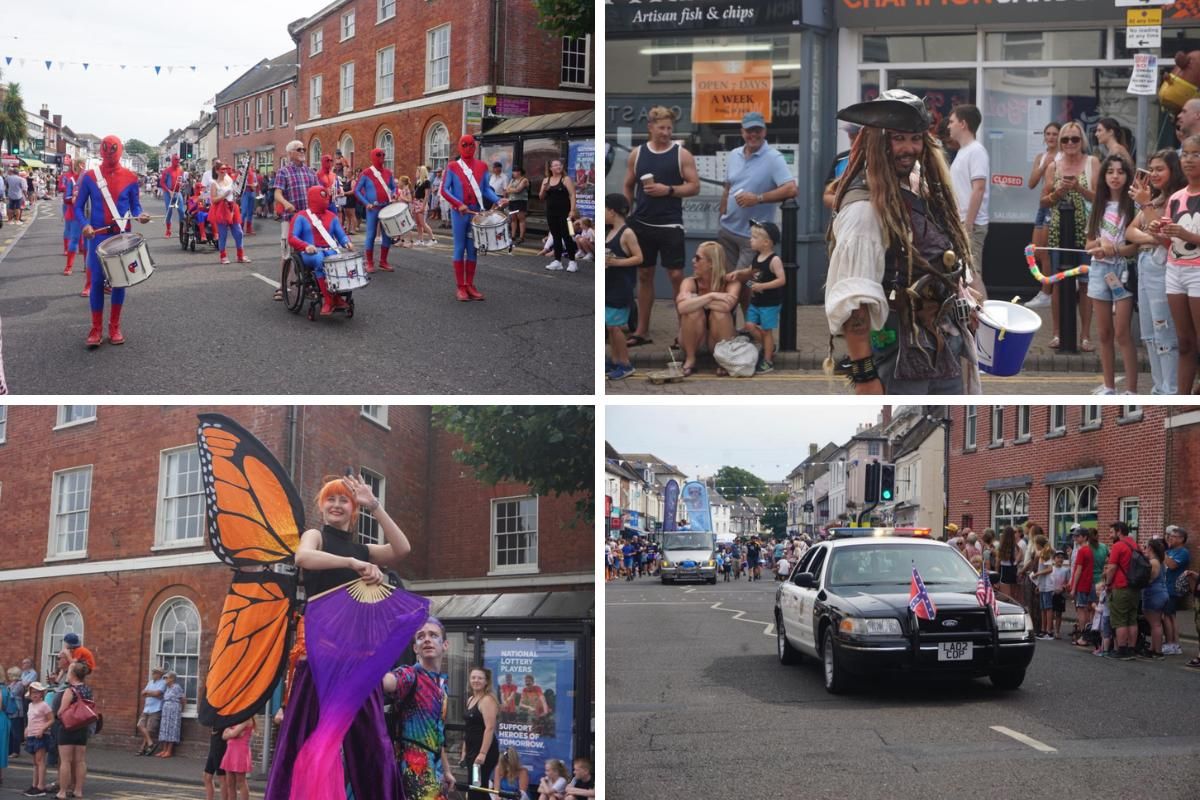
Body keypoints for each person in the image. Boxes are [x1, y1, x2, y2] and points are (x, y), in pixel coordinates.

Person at [265, 473, 412, 800]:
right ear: (322, 505)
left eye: (343, 499)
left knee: (374, 744)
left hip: (357, 659)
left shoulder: (363, 548)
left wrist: (375, 505)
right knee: (302, 739)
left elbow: (402, 548)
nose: (336, 504)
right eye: (330, 499)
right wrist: (352, 563)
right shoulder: (315, 536)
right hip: (319, 656)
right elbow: (302, 558)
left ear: (353, 508)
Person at [826, 90, 980, 395]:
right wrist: (865, 378)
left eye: (915, 138)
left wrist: (959, 293)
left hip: (941, 346)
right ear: (878, 141)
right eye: (898, 139)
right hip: (895, 355)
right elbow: (855, 303)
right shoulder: (863, 210)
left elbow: (931, 256)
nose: (908, 149)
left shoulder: (914, 185)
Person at [622, 106, 701, 348]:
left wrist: (668, 190)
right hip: (642, 223)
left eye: (669, 128)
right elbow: (628, 185)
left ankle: (682, 331)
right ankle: (642, 330)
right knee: (644, 275)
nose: (666, 132)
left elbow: (694, 186)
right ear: (650, 127)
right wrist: (627, 213)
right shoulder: (637, 154)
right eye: (661, 128)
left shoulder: (681, 154)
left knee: (677, 276)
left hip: (670, 223)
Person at [76, 135, 152, 348]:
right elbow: (78, 207)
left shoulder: (130, 177)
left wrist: (141, 215)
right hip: (97, 237)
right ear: (102, 152)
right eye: (107, 152)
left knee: (120, 281)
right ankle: (96, 328)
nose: (110, 157)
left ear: (118, 152)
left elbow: (135, 206)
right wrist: (84, 225)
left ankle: (114, 325)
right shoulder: (91, 177)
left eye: (114, 152)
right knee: (97, 282)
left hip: (122, 236)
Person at [717, 111, 798, 298]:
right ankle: (741, 324)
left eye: (757, 130)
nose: (753, 135)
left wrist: (758, 198)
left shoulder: (773, 158)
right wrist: (722, 213)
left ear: (765, 131)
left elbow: (791, 189)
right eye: (749, 130)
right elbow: (728, 185)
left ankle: (732, 320)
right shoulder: (734, 154)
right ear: (742, 132)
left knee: (738, 281)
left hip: (751, 237)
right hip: (727, 229)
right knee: (732, 281)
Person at [1127, 149, 1184, 394]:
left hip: (1163, 267)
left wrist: (1147, 207)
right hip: (1145, 263)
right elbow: (1130, 231)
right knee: (1148, 333)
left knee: (1164, 331)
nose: (1154, 174)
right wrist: (1149, 235)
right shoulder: (1156, 199)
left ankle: (1169, 388)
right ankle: (1159, 386)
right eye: (1151, 169)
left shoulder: (1176, 200)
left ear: (1174, 170)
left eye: (1160, 169)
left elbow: (1166, 238)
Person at [383, 617, 456, 800]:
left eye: (433, 635)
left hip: (435, 771)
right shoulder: (410, 675)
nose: (427, 639)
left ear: (445, 645)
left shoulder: (441, 686)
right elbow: (388, 682)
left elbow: (437, 735)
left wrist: (446, 770)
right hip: (414, 773)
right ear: (415, 648)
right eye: (421, 636)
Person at [1042, 119, 1099, 351]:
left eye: (1074, 138)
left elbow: (1099, 198)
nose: (1069, 143)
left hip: (1086, 232)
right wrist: (1059, 192)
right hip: (1059, 231)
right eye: (1065, 139)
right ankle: (1057, 334)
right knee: (1058, 283)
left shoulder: (1092, 162)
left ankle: (1085, 336)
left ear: (1082, 140)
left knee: (1085, 285)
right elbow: (1043, 201)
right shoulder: (1053, 166)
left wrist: (1078, 188)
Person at [1084, 154, 1138, 394]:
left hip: (1122, 270)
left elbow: (1134, 247)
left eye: (1120, 172)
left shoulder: (1133, 206)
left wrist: (1113, 248)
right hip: (1099, 271)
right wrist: (1098, 245)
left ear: (1127, 176)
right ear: (1103, 176)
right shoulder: (1098, 205)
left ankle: (1132, 389)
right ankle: (1109, 386)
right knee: (1104, 333)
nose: (1115, 176)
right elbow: (1087, 245)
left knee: (1122, 332)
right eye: (1110, 172)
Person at [1152, 132, 1200, 394]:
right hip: (1175, 270)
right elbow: (1170, 244)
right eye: (1186, 154)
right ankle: (1180, 398)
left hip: (1198, 272)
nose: (1189, 160)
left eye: (1196, 154)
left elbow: (1186, 237)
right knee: (1183, 341)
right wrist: (1158, 232)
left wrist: (1187, 235)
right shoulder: (1176, 198)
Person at [440, 134, 506, 301]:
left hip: (476, 214)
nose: (468, 148)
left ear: (475, 147)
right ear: (460, 146)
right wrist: (457, 203)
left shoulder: (482, 166)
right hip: (459, 214)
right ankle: (460, 287)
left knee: (473, 249)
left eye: (471, 145)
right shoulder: (453, 167)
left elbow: (485, 189)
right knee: (459, 248)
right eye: (465, 145)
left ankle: (469, 284)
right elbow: (444, 190)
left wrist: (498, 199)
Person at [726, 220, 785, 373]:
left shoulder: (774, 260)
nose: (750, 240)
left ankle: (767, 361)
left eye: (753, 237)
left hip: (769, 303)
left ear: (766, 242)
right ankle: (769, 347)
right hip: (756, 301)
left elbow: (782, 280)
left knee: (766, 331)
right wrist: (738, 273)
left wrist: (762, 286)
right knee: (749, 326)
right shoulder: (756, 257)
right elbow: (750, 271)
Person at [287, 185, 355, 316]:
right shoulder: (301, 216)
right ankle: (329, 300)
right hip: (310, 252)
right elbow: (292, 237)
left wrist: (347, 243)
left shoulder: (332, 216)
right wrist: (305, 246)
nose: (325, 200)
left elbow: (341, 235)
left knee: (339, 260)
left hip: (330, 250)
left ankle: (337, 297)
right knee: (319, 260)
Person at [675, 240, 738, 377]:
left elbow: (727, 305)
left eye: (698, 258)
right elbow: (682, 308)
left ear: (711, 263)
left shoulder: (731, 282)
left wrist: (696, 299)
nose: (693, 261)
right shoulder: (689, 282)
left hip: (717, 340)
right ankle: (690, 358)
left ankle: (723, 360)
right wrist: (711, 296)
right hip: (693, 340)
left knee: (720, 313)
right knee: (691, 313)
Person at [947, 104, 990, 300]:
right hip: (961, 223)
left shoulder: (976, 151)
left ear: (963, 124)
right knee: (966, 274)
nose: (949, 126)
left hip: (969, 224)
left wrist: (968, 224)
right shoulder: (964, 151)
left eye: (952, 121)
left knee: (972, 274)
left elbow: (979, 188)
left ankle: (987, 325)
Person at [272, 140, 321, 301]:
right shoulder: (283, 172)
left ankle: (306, 285)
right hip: (290, 217)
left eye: (303, 149)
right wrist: (286, 203)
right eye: (298, 149)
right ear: (290, 153)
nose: (302, 151)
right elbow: (277, 193)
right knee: (286, 252)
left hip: (307, 219)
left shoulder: (310, 172)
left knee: (307, 250)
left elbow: (318, 192)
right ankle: (281, 286)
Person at [604, 193, 642, 382]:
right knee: (610, 327)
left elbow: (639, 258)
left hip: (621, 286)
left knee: (615, 326)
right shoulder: (609, 231)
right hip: (609, 285)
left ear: (612, 211)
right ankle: (614, 359)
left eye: (603, 209)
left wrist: (616, 263)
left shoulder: (627, 233)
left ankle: (625, 364)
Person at [1026, 122, 1061, 309]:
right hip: (1042, 206)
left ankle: (1047, 292)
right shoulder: (1041, 156)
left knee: (1046, 251)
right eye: (1048, 134)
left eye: (1055, 134)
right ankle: (1047, 289)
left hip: (1053, 207)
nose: (1051, 137)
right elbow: (1031, 183)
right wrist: (1043, 167)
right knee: (1038, 251)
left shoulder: (1063, 157)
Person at [354, 148, 399, 274]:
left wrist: (394, 194)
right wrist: (366, 203)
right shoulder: (366, 173)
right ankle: (369, 262)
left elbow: (393, 187)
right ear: (373, 156)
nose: (382, 157)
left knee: (387, 234)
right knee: (371, 235)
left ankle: (383, 261)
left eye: (383, 155)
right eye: (379, 155)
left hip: (386, 207)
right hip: (373, 209)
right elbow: (356, 190)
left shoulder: (388, 173)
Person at [55, 662, 92, 800]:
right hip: (82, 727)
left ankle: (62, 792)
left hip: (68, 728)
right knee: (80, 761)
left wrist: (57, 713)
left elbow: (61, 712)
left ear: (73, 674)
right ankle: (78, 791)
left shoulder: (70, 691)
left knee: (65, 761)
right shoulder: (88, 689)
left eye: (69, 671)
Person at [1103, 521, 1139, 660]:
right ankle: (1131, 649)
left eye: (1112, 532)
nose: (1110, 535)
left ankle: (1122, 650)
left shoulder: (1118, 546)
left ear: (1119, 531)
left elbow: (1111, 568)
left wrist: (1107, 583)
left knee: (1120, 620)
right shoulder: (1135, 544)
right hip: (1135, 587)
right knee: (1132, 619)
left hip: (1121, 586)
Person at [460, 667, 499, 788]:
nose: (476, 680)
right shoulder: (470, 699)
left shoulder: (487, 700)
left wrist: (482, 753)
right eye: (473, 677)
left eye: (480, 678)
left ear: (486, 681)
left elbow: (490, 728)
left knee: (478, 787)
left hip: (482, 751)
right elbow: (469, 728)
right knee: (474, 786)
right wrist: (464, 751)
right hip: (472, 750)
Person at [540, 159, 578, 273]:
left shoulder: (566, 179)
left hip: (565, 212)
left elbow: (572, 195)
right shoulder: (546, 180)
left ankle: (572, 262)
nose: (558, 167)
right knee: (556, 236)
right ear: (551, 168)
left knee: (567, 235)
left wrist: (572, 210)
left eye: (560, 165)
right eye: (555, 165)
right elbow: (541, 197)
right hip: (551, 212)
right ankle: (557, 261)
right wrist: (544, 189)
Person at [209, 162, 250, 265]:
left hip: (232, 208)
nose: (224, 171)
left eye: (225, 169)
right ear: (217, 171)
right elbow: (213, 200)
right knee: (223, 235)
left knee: (239, 232)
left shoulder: (230, 180)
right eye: (222, 169)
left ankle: (240, 255)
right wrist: (224, 196)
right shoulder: (214, 183)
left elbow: (235, 193)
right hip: (221, 210)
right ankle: (223, 256)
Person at [1162, 525, 1190, 655]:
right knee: (1169, 616)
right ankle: (1173, 643)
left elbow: (1172, 565)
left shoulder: (1183, 552)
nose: (1170, 538)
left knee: (1169, 616)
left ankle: (1172, 644)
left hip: (1173, 589)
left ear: (1181, 539)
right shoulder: (1171, 551)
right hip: (1166, 587)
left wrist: (1162, 553)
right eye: (1169, 536)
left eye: (1173, 536)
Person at [23, 682, 53, 796]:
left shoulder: (44, 705)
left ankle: (41, 786)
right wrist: (26, 729)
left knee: (40, 761)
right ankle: (34, 785)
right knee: (35, 762)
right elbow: (31, 719)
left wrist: (42, 729)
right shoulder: (30, 705)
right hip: (32, 735)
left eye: (37, 692)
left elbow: (51, 720)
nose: (35, 694)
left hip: (41, 736)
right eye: (32, 692)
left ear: (42, 693)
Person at [1141, 538, 1168, 660]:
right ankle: (1152, 648)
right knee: (1155, 624)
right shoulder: (1160, 562)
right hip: (1161, 592)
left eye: (1145, 547)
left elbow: (1149, 579)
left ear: (1150, 548)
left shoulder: (1153, 562)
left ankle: (1158, 652)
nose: (1144, 549)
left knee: (1155, 624)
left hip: (1154, 594)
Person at [1068, 527, 1095, 647]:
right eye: (1075, 536)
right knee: (1086, 610)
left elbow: (1078, 570)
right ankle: (1087, 635)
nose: (1075, 538)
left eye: (1078, 536)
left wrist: (1073, 587)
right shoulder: (1089, 550)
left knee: (1081, 611)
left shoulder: (1082, 551)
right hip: (1087, 583)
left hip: (1081, 584)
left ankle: (1084, 636)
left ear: (1084, 537)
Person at [220, 717, 254, 800]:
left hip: (240, 752)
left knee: (241, 782)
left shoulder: (247, 718)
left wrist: (231, 732)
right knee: (230, 783)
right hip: (230, 751)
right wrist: (232, 734)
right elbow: (223, 736)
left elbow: (233, 733)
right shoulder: (235, 718)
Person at [136, 666, 167, 755]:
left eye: (155, 672)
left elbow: (158, 693)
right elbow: (143, 692)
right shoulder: (150, 682)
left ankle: (143, 748)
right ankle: (150, 744)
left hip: (156, 708)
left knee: (149, 730)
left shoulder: (163, 683)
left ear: (160, 674)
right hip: (147, 708)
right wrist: (151, 693)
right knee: (140, 725)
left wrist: (148, 693)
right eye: (153, 672)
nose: (153, 674)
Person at [156, 671, 185, 758]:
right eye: (164, 678)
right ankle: (164, 750)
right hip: (166, 711)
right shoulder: (167, 688)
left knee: (172, 730)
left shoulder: (177, 687)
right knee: (165, 729)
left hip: (174, 711)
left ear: (172, 679)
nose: (165, 679)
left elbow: (183, 699)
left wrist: (181, 710)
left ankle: (169, 751)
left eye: (166, 677)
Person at [61, 162, 82, 277]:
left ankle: (86, 265)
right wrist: (73, 196)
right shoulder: (69, 179)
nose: (82, 167)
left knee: (87, 243)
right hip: (73, 211)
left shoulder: (91, 179)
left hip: (88, 213)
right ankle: (68, 266)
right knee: (73, 236)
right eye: (80, 165)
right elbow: (65, 195)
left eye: (84, 165)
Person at [203, 724, 232, 800]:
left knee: (222, 778)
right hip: (213, 748)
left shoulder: (225, 718)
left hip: (220, 748)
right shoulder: (215, 717)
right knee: (207, 777)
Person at [160, 154, 184, 238]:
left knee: (181, 212)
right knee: (169, 212)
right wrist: (169, 191)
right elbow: (162, 183)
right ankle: (168, 230)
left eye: (178, 160)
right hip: (168, 193)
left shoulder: (181, 170)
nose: (177, 162)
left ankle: (182, 230)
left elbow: (182, 180)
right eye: (176, 160)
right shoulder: (166, 171)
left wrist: (182, 184)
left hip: (177, 193)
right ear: (172, 160)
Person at [506, 165, 529, 246]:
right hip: (512, 201)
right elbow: (507, 189)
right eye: (513, 171)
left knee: (521, 218)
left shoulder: (524, 180)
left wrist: (511, 189)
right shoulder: (512, 180)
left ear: (519, 172)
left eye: (515, 171)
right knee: (513, 218)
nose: (513, 173)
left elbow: (518, 190)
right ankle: (513, 236)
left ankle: (521, 237)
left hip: (520, 201)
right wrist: (512, 190)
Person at [239, 163, 259, 236]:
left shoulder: (253, 173)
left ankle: (248, 229)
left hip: (252, 193)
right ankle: (240, 229)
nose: (252, 163)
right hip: (245, 193)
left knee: (250, 212)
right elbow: (241, 183)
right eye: (251, 161)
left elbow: (256, 182)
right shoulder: (244, 171)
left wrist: (255, 186)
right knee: (244, 212)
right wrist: (251, 185)